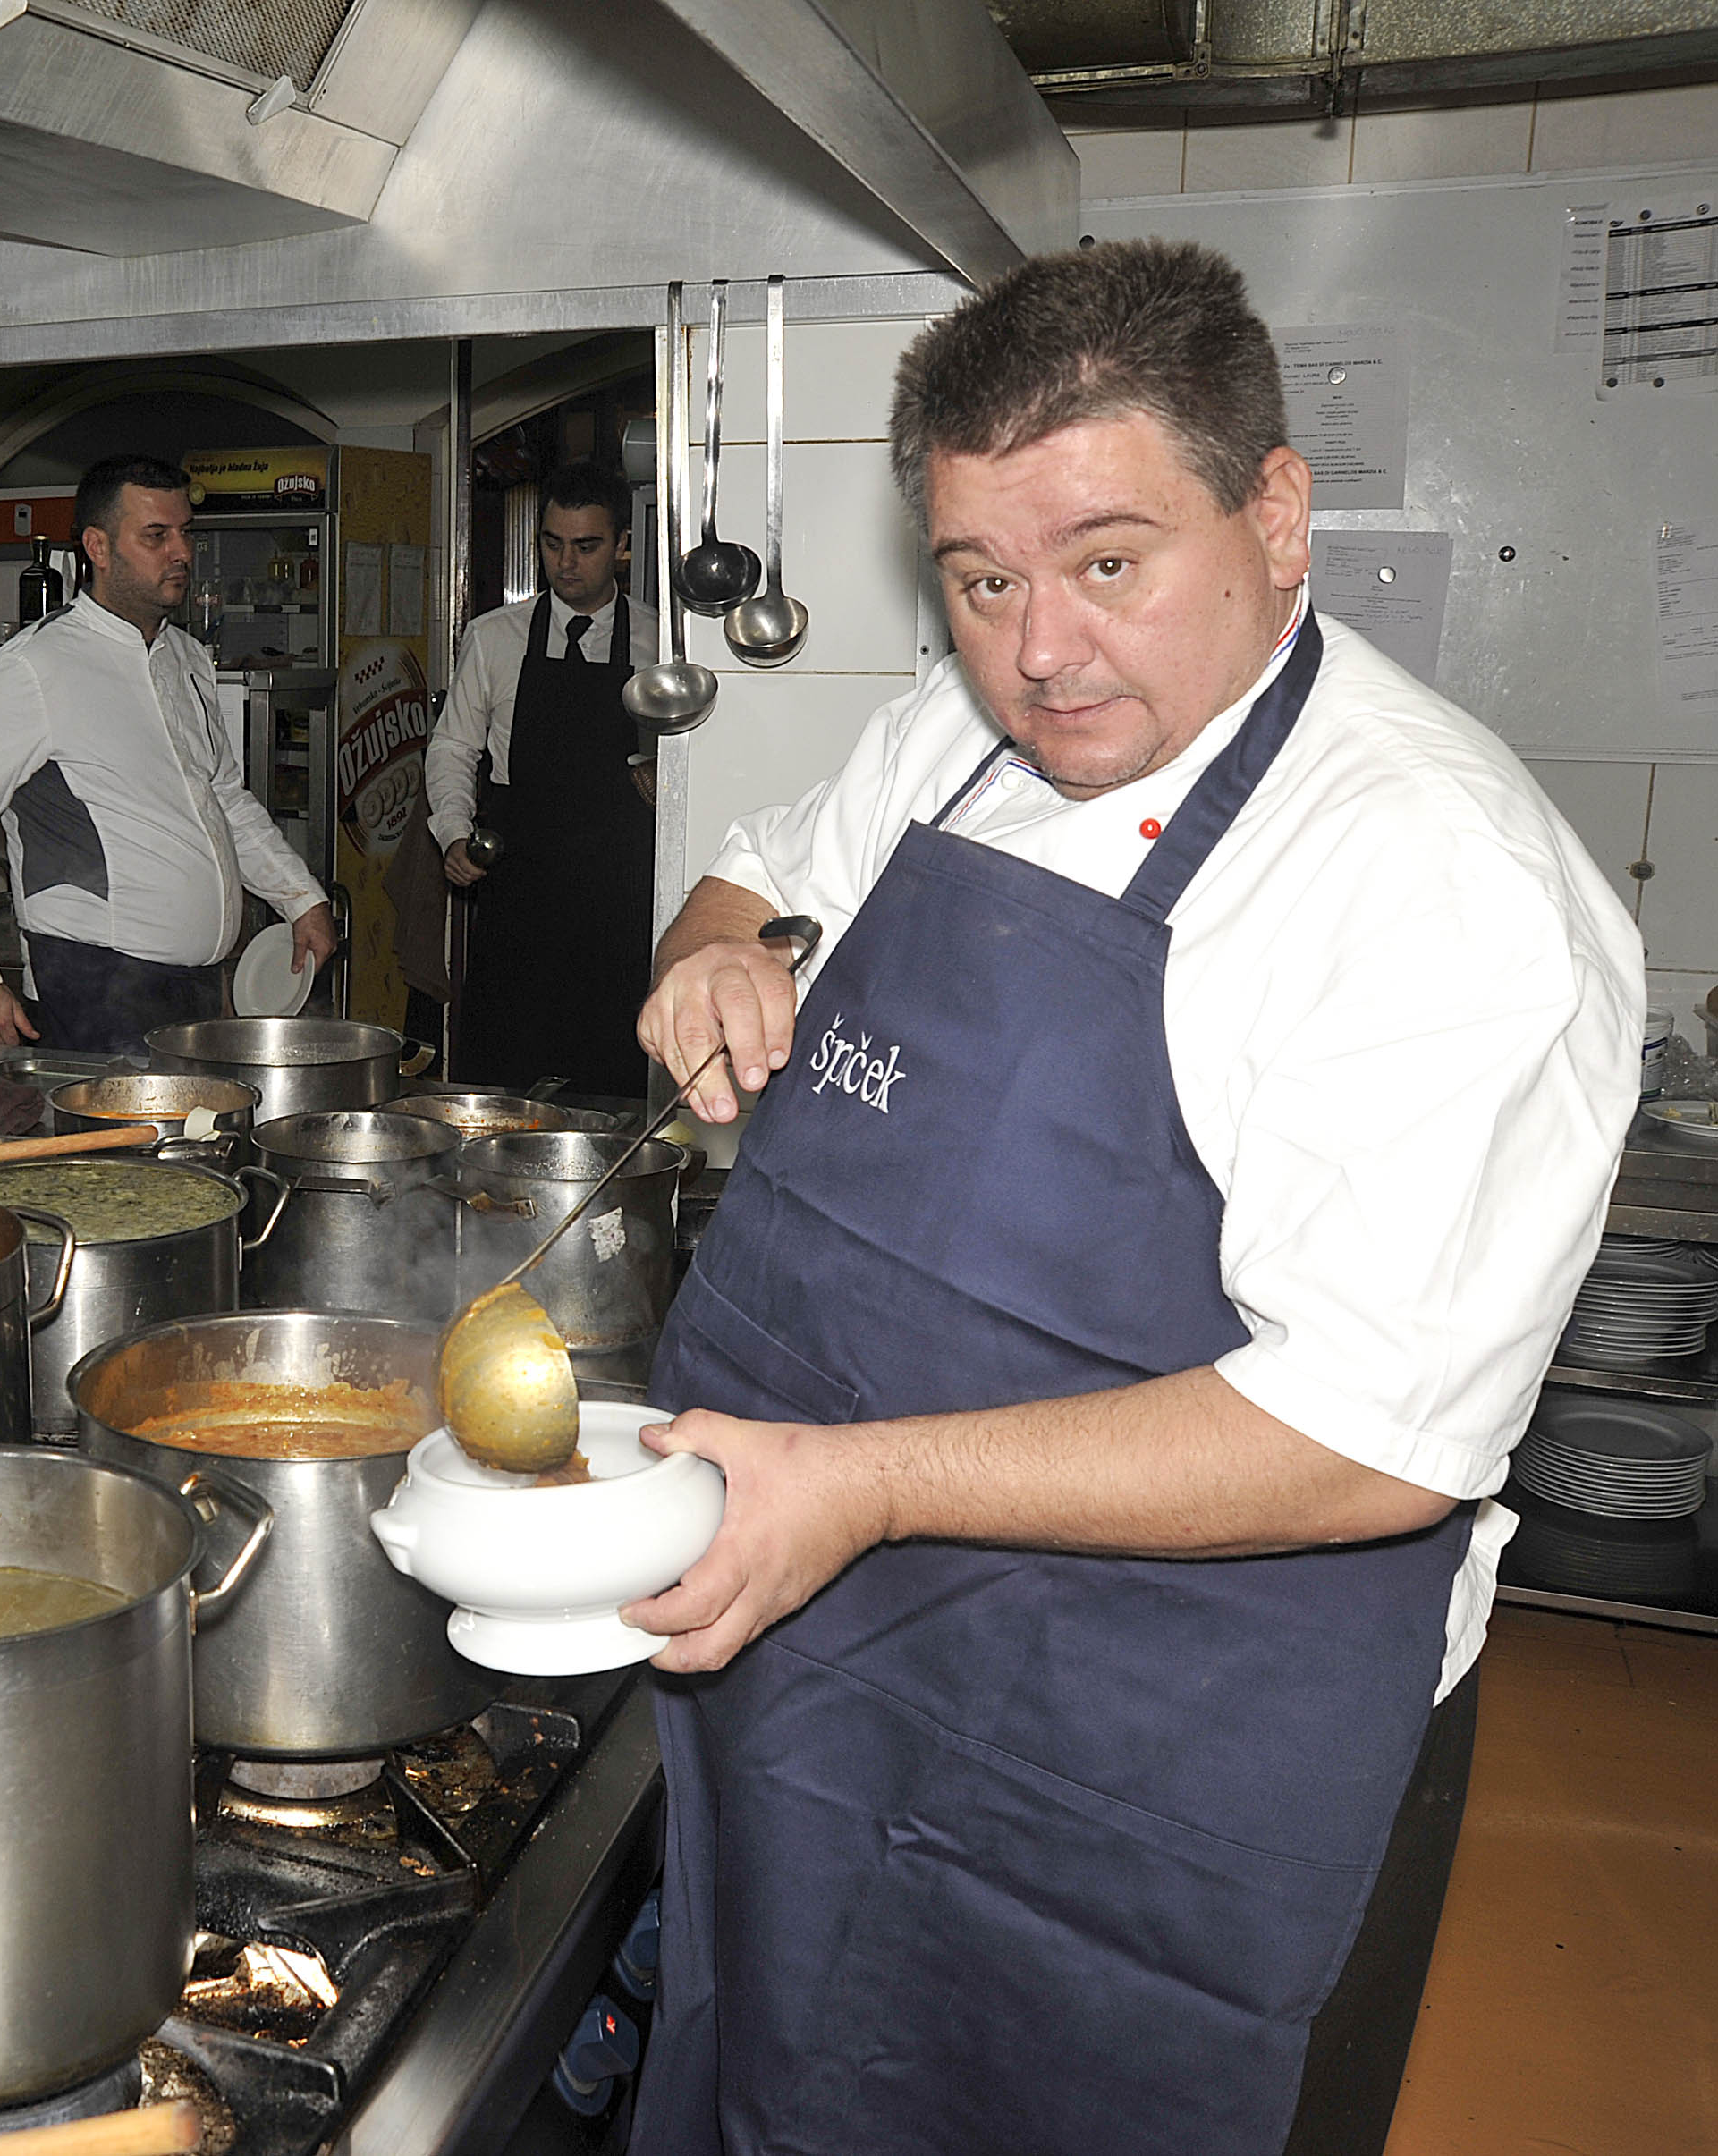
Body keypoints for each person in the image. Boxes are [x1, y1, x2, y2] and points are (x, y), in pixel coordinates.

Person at [623, 240, 1638, 2156]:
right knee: (774, 2070)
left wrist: (860, 1482)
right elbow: (757, 867)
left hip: (1144, 1757)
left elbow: (1363, 1436)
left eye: (1107, 562)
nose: (1038, 653)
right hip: (835, 1657)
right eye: (981, 578)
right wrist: (719, 950)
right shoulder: (958, 736)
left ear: (1273, 513)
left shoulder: (1431, 881)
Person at [0, 452, 337, 1055]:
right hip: (91, 983)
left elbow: (221, 796)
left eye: (185, 534)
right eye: (156, 536)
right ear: (98, 546)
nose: (183, 553)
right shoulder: (35, 666)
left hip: (194, 983)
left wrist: (301, 898)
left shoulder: (186, 657)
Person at [425, 461, 658, 1097]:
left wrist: (664, 773)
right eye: (552, 544)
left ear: (621, 544)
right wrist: (451, 831)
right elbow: (451, 747)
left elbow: (693, 756)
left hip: (618, 902)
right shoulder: (492, 638)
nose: (566, 563)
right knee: (502, 1081)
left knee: (610, 1082)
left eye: (585, 546)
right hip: (518, 893)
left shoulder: (659, 642)